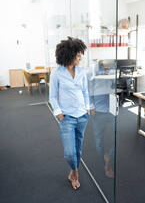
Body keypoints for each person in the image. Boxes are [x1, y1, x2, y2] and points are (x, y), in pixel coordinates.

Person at [49, 37, 90, 190]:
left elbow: (85, 92)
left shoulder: (81, 72)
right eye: (78, 55)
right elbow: (52, 97)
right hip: (67, 118)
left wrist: (87, 109)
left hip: (82, 117)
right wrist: (60, 114)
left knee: (78, 149)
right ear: (69, 55)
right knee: (69, 153)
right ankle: (75, 172)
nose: (80, 58)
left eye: (80, 55)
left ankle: (73, 172)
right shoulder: (56, 74)